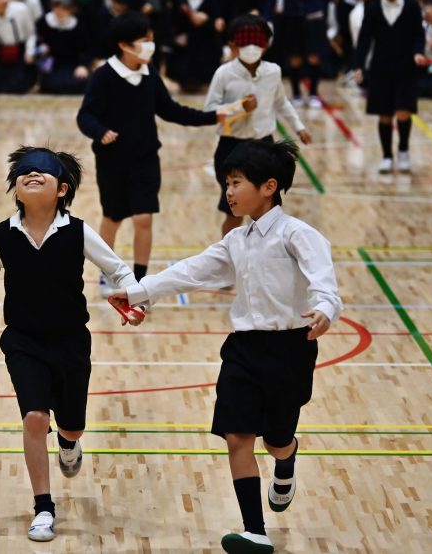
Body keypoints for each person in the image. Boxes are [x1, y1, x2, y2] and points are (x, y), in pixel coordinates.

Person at [114, 138, 342, 554]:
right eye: (226, 183)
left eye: (236, 182)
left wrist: (326, 308)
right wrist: (138, 292)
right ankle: (254, 530)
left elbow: (323, 279)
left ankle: (286, 459)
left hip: (292, 348)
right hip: (243, 350)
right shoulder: (237, 240)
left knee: (275, 441)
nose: (229, 192)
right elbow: (193, 270)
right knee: (237, 435)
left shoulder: (297, 234)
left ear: (269, 186)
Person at [0, 146, 144, 542]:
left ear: (62, 189)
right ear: (16, 187)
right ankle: (44, 507)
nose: (31, 175)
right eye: (24, 172)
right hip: (23, 341)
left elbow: (117, 268)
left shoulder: (77, 231)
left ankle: (68, 442)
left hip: (71, 341)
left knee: (72, 427)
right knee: (34, 418)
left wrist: (134, 296)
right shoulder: (3, 234)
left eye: (41, 172)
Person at [77, 12, 225, 294]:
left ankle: (139, 279)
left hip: (145, 158)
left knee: (144, 217)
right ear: (125, 45)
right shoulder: (104, 76)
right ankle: (108, 275)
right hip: (112, 161)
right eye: (145, 41)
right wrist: (100, 132)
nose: (150, 46)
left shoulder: (150, 73)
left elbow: (170, 110)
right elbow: (85, 116)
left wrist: (212, 117)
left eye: (151, 40)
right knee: (113, 217)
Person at [205, 14, 311, 236]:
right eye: (246, 41)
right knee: (234, 212)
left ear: (265, 44)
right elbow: (209, 110)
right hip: (230, 147)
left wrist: (299, 127)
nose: (252, 47)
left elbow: (282, 103)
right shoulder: (224, 74)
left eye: (257, 41)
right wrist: (238, 108)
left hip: (263, 146)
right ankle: (228, 258)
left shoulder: (273, 71)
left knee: (266, 210)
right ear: (233, 43)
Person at [354, 0, 426, 174]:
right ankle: (386, 156)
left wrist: (418, 52)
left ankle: (403, 151)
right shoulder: (373, 8)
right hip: (381, 68)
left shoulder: (412, 6)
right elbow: (364, 39)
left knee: (404, 112)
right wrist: (359, 66)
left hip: (406, 68)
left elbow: (418, 34)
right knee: (384, 115)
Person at [168, 0, 224, 93]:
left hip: (206, 49)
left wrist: (207, 21)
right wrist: (174, 37)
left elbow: (220, 25)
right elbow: (169, 19)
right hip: (182, 50)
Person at [37, 0, 92, 94]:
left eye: (64, 8)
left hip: (73, 63)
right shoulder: (44, 22)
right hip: (51, 61)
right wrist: (42, 49)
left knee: (80, 82)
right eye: (57, 7)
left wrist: (83, 65)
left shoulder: (78, 25)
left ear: (70, 9)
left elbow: (86, 49)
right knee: (49, 84)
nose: (60, 11)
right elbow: (38, 42)